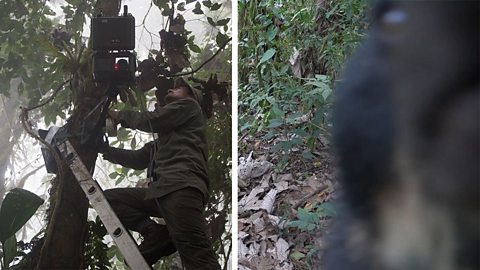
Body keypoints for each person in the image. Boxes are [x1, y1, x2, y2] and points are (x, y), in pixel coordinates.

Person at [100, 78, 221, 269]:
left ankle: (161, 236)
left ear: (192, 96)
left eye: (180, 87)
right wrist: (105, 151)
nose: (174, 89)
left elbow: (154, 120)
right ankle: (155, 233)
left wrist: (118, 115)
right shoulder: (169, 137)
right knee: (108, 200)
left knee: (197, 255)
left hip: (182, 186)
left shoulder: (190, 107)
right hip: (164, 190)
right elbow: (140, 158)